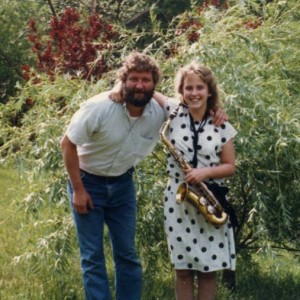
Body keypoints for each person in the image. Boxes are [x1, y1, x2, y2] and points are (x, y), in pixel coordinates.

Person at [60, 51, 227, 300]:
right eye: (134, 79)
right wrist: (79, 190)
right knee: (93, 257)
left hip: (122, 184)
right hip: (87, 182)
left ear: (154, 84)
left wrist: (216, 110)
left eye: (146, 80)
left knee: (127, 255)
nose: (140, 85)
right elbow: (67, 143)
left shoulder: (162, 113)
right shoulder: (100, 107)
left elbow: (194, 103)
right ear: (123, 81)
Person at [156, 62, 237, 300]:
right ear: (181, 90)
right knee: (182, 269)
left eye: (199, 87)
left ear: (209, 91)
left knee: (208, 268)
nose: (194, 93)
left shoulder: (221, 123)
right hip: (178, 201)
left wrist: (204, 173)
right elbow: (150, 90)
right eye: (188, 87)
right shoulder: (173, 112)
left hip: (209, 197)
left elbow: (230, 166)